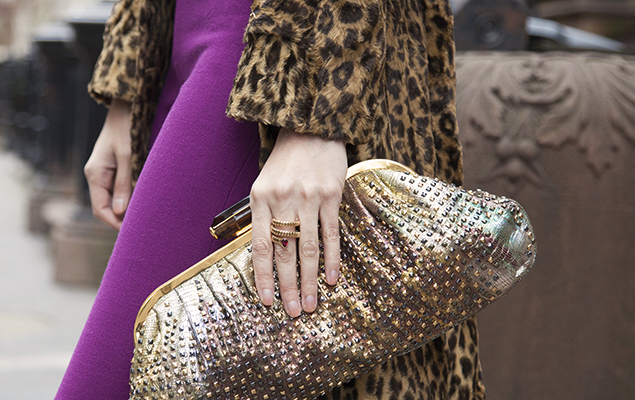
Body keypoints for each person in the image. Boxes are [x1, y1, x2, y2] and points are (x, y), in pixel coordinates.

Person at [56, 0, 485, 399]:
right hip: (183, 42)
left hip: (270, 55)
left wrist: (314, 112)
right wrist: (126, 90)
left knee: (106, 381)